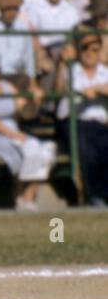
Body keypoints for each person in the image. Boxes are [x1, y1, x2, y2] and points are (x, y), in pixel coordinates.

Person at [0, 53, 54, 211]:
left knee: (44, 152)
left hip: (14, 131)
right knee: (21, 154)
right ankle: (20, 197)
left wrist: (34, 99)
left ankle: (27, 196)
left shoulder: (8, 87)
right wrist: (12, 134)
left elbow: (25, 111)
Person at [55, 31, 108, 205]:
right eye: (85, 48)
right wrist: (63, 63)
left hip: (99, 123)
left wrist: (100, 89)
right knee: (87, 150)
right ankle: (92, 196)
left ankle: (103, 194)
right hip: (74, 121)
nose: (90, 53)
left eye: (95, 49)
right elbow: (58, 90)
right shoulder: (71, 69)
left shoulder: (104, 72)